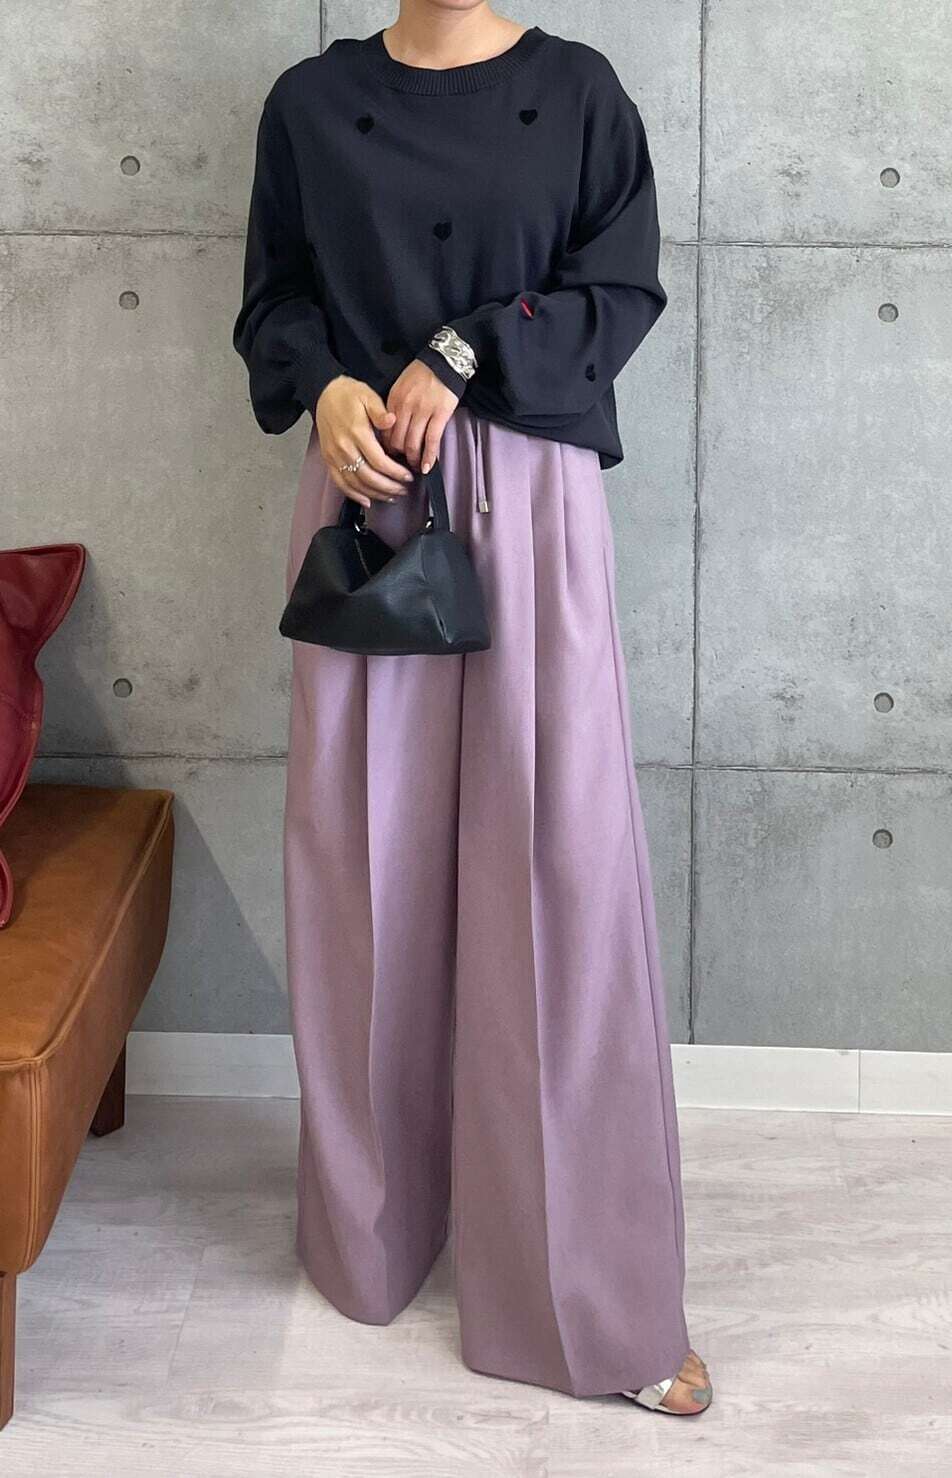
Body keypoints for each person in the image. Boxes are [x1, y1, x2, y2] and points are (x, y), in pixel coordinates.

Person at [231, 0, 712, 1416]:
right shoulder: (310, 104)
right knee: (362, 877)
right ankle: (372, 1232)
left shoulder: (579, 93)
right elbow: (274, 298)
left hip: (533, 508)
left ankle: (587, 1296)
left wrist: (463, 351)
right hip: (368, 509)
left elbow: (619, 289)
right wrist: (324, 386)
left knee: (558, 883)